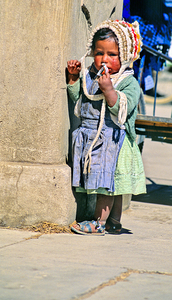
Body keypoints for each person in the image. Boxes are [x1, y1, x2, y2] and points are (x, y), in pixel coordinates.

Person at [66, 20, 146, 235]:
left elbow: (123, 109)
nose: (105, 59)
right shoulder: (91, 76)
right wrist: (74, 79)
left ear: (126, 55)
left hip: (114, 141)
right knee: (111, 184)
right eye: (99, 53)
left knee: (107, 184)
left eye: (112, 54)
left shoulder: (128, 82)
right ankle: (114, 222)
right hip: (93, 136)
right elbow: (80, 101)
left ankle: (99, 222)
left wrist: (110, 90)